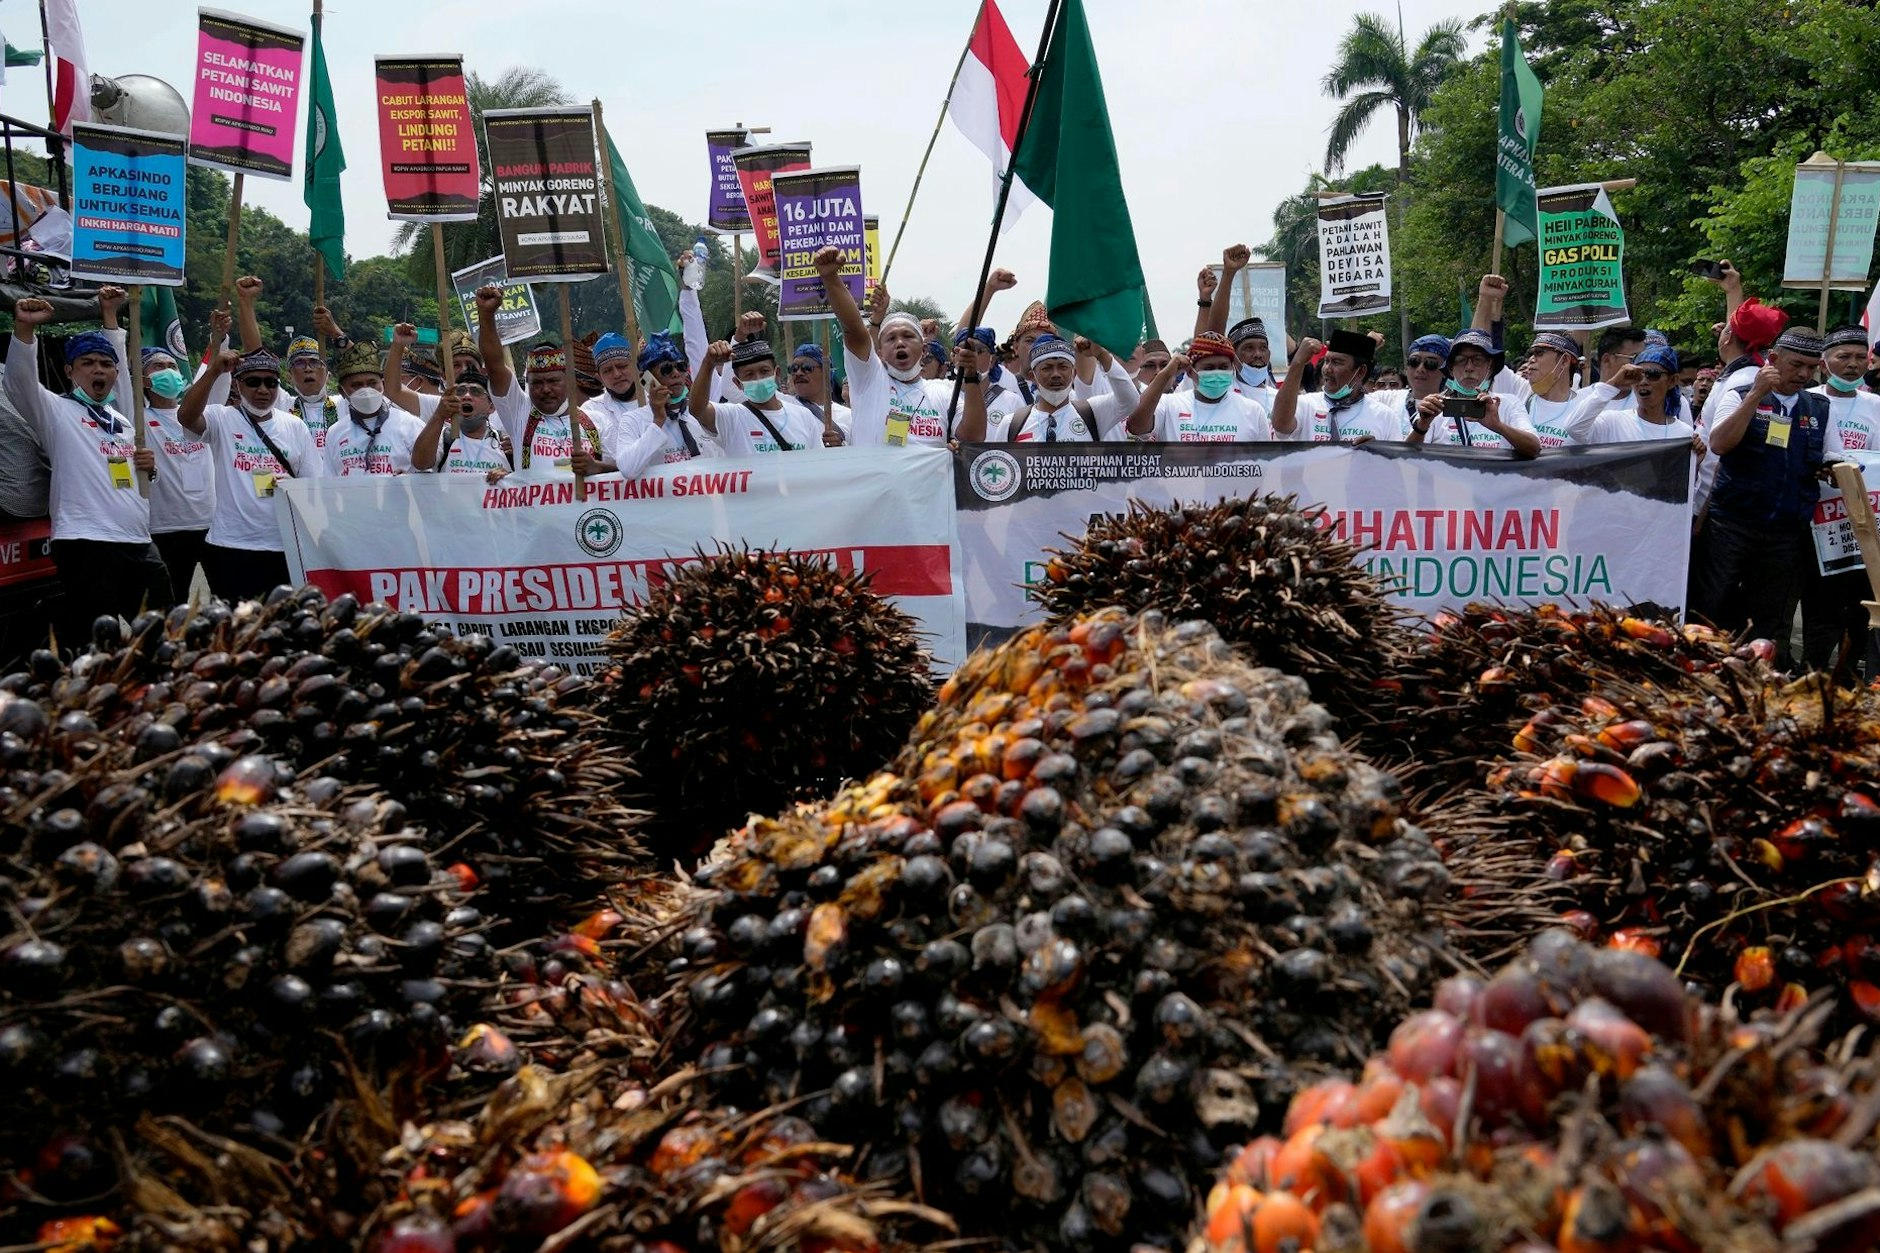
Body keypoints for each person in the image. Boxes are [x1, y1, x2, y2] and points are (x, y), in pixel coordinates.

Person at [6, 293, 168, 635]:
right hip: (86, 544)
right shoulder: (55, 411)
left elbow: (128, 474)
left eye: (106, 364)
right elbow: (19, 383)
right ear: (69, 370)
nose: (99, 370)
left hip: (138, 542)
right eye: (88, 363)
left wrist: (148, 468)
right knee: (101, 641)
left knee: (162, 632)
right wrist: (24, 329)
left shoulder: (123, 420)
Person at [1690, 327, 1829, 670]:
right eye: (1797, 364)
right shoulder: (1738, 393)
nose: (1804, 375)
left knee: (1769, 615)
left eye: (1812, 368)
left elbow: (1834, 458)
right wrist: (1756, 394)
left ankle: (1758, 679)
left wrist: (1835, 468)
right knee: (1713, 603)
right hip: (1732, 525)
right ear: (1773, 360)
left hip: (1785, 531)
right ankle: (1702, 668)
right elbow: (1720, 444)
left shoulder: (1820, 407)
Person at [103, 296, 230, 596]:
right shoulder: (136, 417)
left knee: (230, 602)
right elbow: (120, 373)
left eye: (173, 365)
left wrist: (220, 336)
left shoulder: (198, 414)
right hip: (164, 529)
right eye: (159, 367)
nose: (170, 372)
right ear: (144, 380)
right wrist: (110, 318)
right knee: (172, 606)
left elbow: (218, 376)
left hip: (212, 525)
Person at [177, 346, 321, 601]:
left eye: (270, 383)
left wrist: (294, 486)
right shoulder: (221, 418)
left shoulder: (295, 426)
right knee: (236, 628)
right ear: (238, 384)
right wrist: (212, 373)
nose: (263, 390)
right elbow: (187, 417)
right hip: (230, 546)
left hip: (284, 546)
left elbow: (314, 486)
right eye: (253, 382)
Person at [1799, 324, 1880, 674]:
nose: (1852, 364)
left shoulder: (1876, 405)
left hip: (1865, 525)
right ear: (1824, 361)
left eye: (1861, 357)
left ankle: (1845, 675)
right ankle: (1813, 672)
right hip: (1817, 522)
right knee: (1821, 605)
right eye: (1843, 356)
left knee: (1860, 605)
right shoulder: (1810, 401)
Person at [829, 248, 970, 447]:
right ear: (879, 353)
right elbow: (853, 331)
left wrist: (956, 448)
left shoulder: (943, 392)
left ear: (924, 350)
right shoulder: (869, 381)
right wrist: (830, 277)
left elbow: (973, 436)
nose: (900, 343)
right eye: (891, 338)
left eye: (908, 336)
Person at [959, 334, 1135, 442]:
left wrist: (1102, 355)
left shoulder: (1093, 413)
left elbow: (1131, 400)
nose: (1056, 374)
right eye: (1047, 367)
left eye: (1063, 367)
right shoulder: (1012, 424)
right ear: (1033, 376)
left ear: (1074, 374)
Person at [1404, 330, 1541, 457]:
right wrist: (1422, 425)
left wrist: (1498, 426)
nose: (1469, 367)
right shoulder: (1434, 406)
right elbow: (1405, 457)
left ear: (1490, 366)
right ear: (1451, 369)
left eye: (1477, 360)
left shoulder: (1508, 403)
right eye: (1461, 360)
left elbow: (1534, 448)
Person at [605, 333, 721, 475]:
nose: (676, 374)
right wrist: (658, 421)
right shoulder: (633, 420)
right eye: (666, 369)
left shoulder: (705, 413)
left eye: (681, 366)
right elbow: (628, 469)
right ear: (646, 379)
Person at [689, 334, 824, 454]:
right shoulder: (731, 417)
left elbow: (817, 465)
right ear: (738, 383)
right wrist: (708, 363)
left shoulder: (804, 416)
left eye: (764, 371)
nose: (758, 378)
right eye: (749, 374)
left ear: (776, 374)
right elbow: (697, 410)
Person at [1126, 331, 1273, 441]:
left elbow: (1266, 463)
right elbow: (1136, 426)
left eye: (1223, 367)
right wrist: (1166, 373)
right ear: (1190, 372)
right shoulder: (1168, 405)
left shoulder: (1253, 411)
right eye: (1208, 368)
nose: (1217, 373)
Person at [1272, 330, 1403, 442]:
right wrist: (1298, 363)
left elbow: (1395, 466)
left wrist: (1376, 453)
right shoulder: (1305, 405)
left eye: (1337, 362)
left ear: (1360, 372)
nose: (1327, 369)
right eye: (1327, 361)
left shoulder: (1384, 416)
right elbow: (1281, 425)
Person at [322, 337, 426, 476]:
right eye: (356, 385)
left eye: (372, 383)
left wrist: (409, 480)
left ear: (382, 383)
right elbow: (329, 485)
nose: (366, 390)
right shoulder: (335, 433)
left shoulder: (411, 425)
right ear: (343, 392)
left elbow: (427, 477)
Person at [509, 341, 608, 481]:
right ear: (528, 385)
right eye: (537, 383)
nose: (546, 390)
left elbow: (625, 471)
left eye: (553, 381)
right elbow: (494, 366)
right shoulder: (520, 418)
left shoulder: (597, 420)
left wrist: (598, 467)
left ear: (569, 381)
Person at [410, 369, 512, 479]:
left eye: (476, 392)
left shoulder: (505, 444)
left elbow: (525, 482)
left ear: (491, 407)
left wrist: (508, 478)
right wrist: (439, 415)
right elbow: (420, 463)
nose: (466, 396)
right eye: (460, 391)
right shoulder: (444, 439)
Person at [1519, 331, 1581, 448]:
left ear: (1564, 361)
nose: (1531, 359)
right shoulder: (1520, 398)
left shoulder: (1584, 409)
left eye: (1539, 353)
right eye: (1531, 354)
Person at [788, 343, 850, 446]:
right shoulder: (785, 409)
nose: (798, 373)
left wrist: (841, 448)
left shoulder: (848, 417)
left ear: (826, 372)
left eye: (806, 368)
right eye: (794, 368)